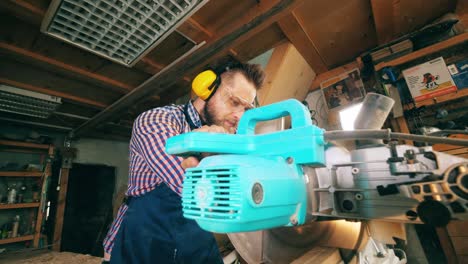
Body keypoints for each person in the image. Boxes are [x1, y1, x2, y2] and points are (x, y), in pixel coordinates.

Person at [102, 57, 265, 264]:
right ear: (206, 88)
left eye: (247, 109)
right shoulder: (155, 121)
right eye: (234, 102)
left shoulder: (229, 137)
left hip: (189, 239)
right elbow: (193, 188)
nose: (239, 116)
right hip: (139, 240)